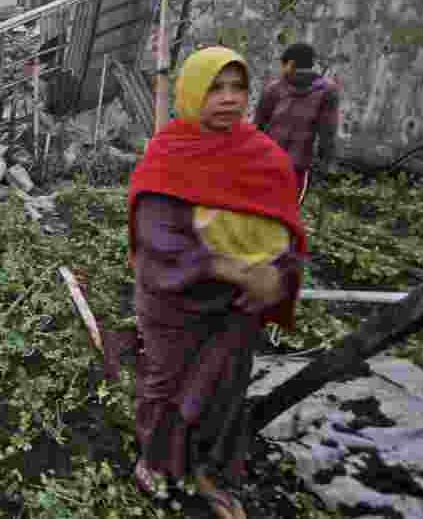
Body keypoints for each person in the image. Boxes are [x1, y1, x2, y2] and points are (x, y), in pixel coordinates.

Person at [127, 47, 308, 519]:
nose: (228, 99)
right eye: (215, 88)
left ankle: (207, 469)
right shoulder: (170, 154)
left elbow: (284, 224)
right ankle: (155, 461)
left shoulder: (264, 157)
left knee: (225, 390)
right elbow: (156, 238)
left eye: (238, 87)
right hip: (175, 301)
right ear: (191, 93)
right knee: (166, 385)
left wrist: (277, 274)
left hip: (238, 306)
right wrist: (229, 269)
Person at [254, 43, 340, 204]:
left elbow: (257, 127)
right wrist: (327, 164)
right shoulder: (327, 91)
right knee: (288, 211)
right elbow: (327, 133)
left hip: (267, 161)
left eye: (283, 64)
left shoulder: (273, 88)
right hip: (298, 166)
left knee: (260, 205)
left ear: (291, 64)